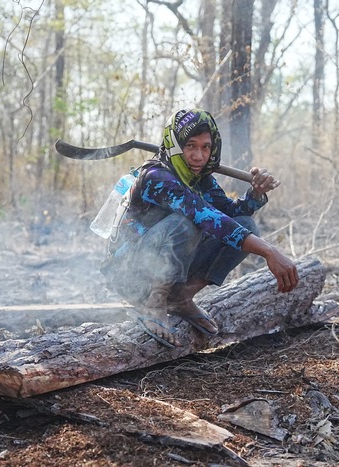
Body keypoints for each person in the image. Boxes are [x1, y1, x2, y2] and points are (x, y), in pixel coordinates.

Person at [100, 108, 299, 348]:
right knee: (186, 223)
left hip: (162, 266)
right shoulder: (156, 177)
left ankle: (179, 297)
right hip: (130, 274)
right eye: (191, 146)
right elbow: (207, 217)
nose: (199, 156)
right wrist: (270, 252)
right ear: (174, 145)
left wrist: (256, 193)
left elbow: (232, 215)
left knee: (246, 226)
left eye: (206, 147)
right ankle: (153, 303)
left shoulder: (200, 179)